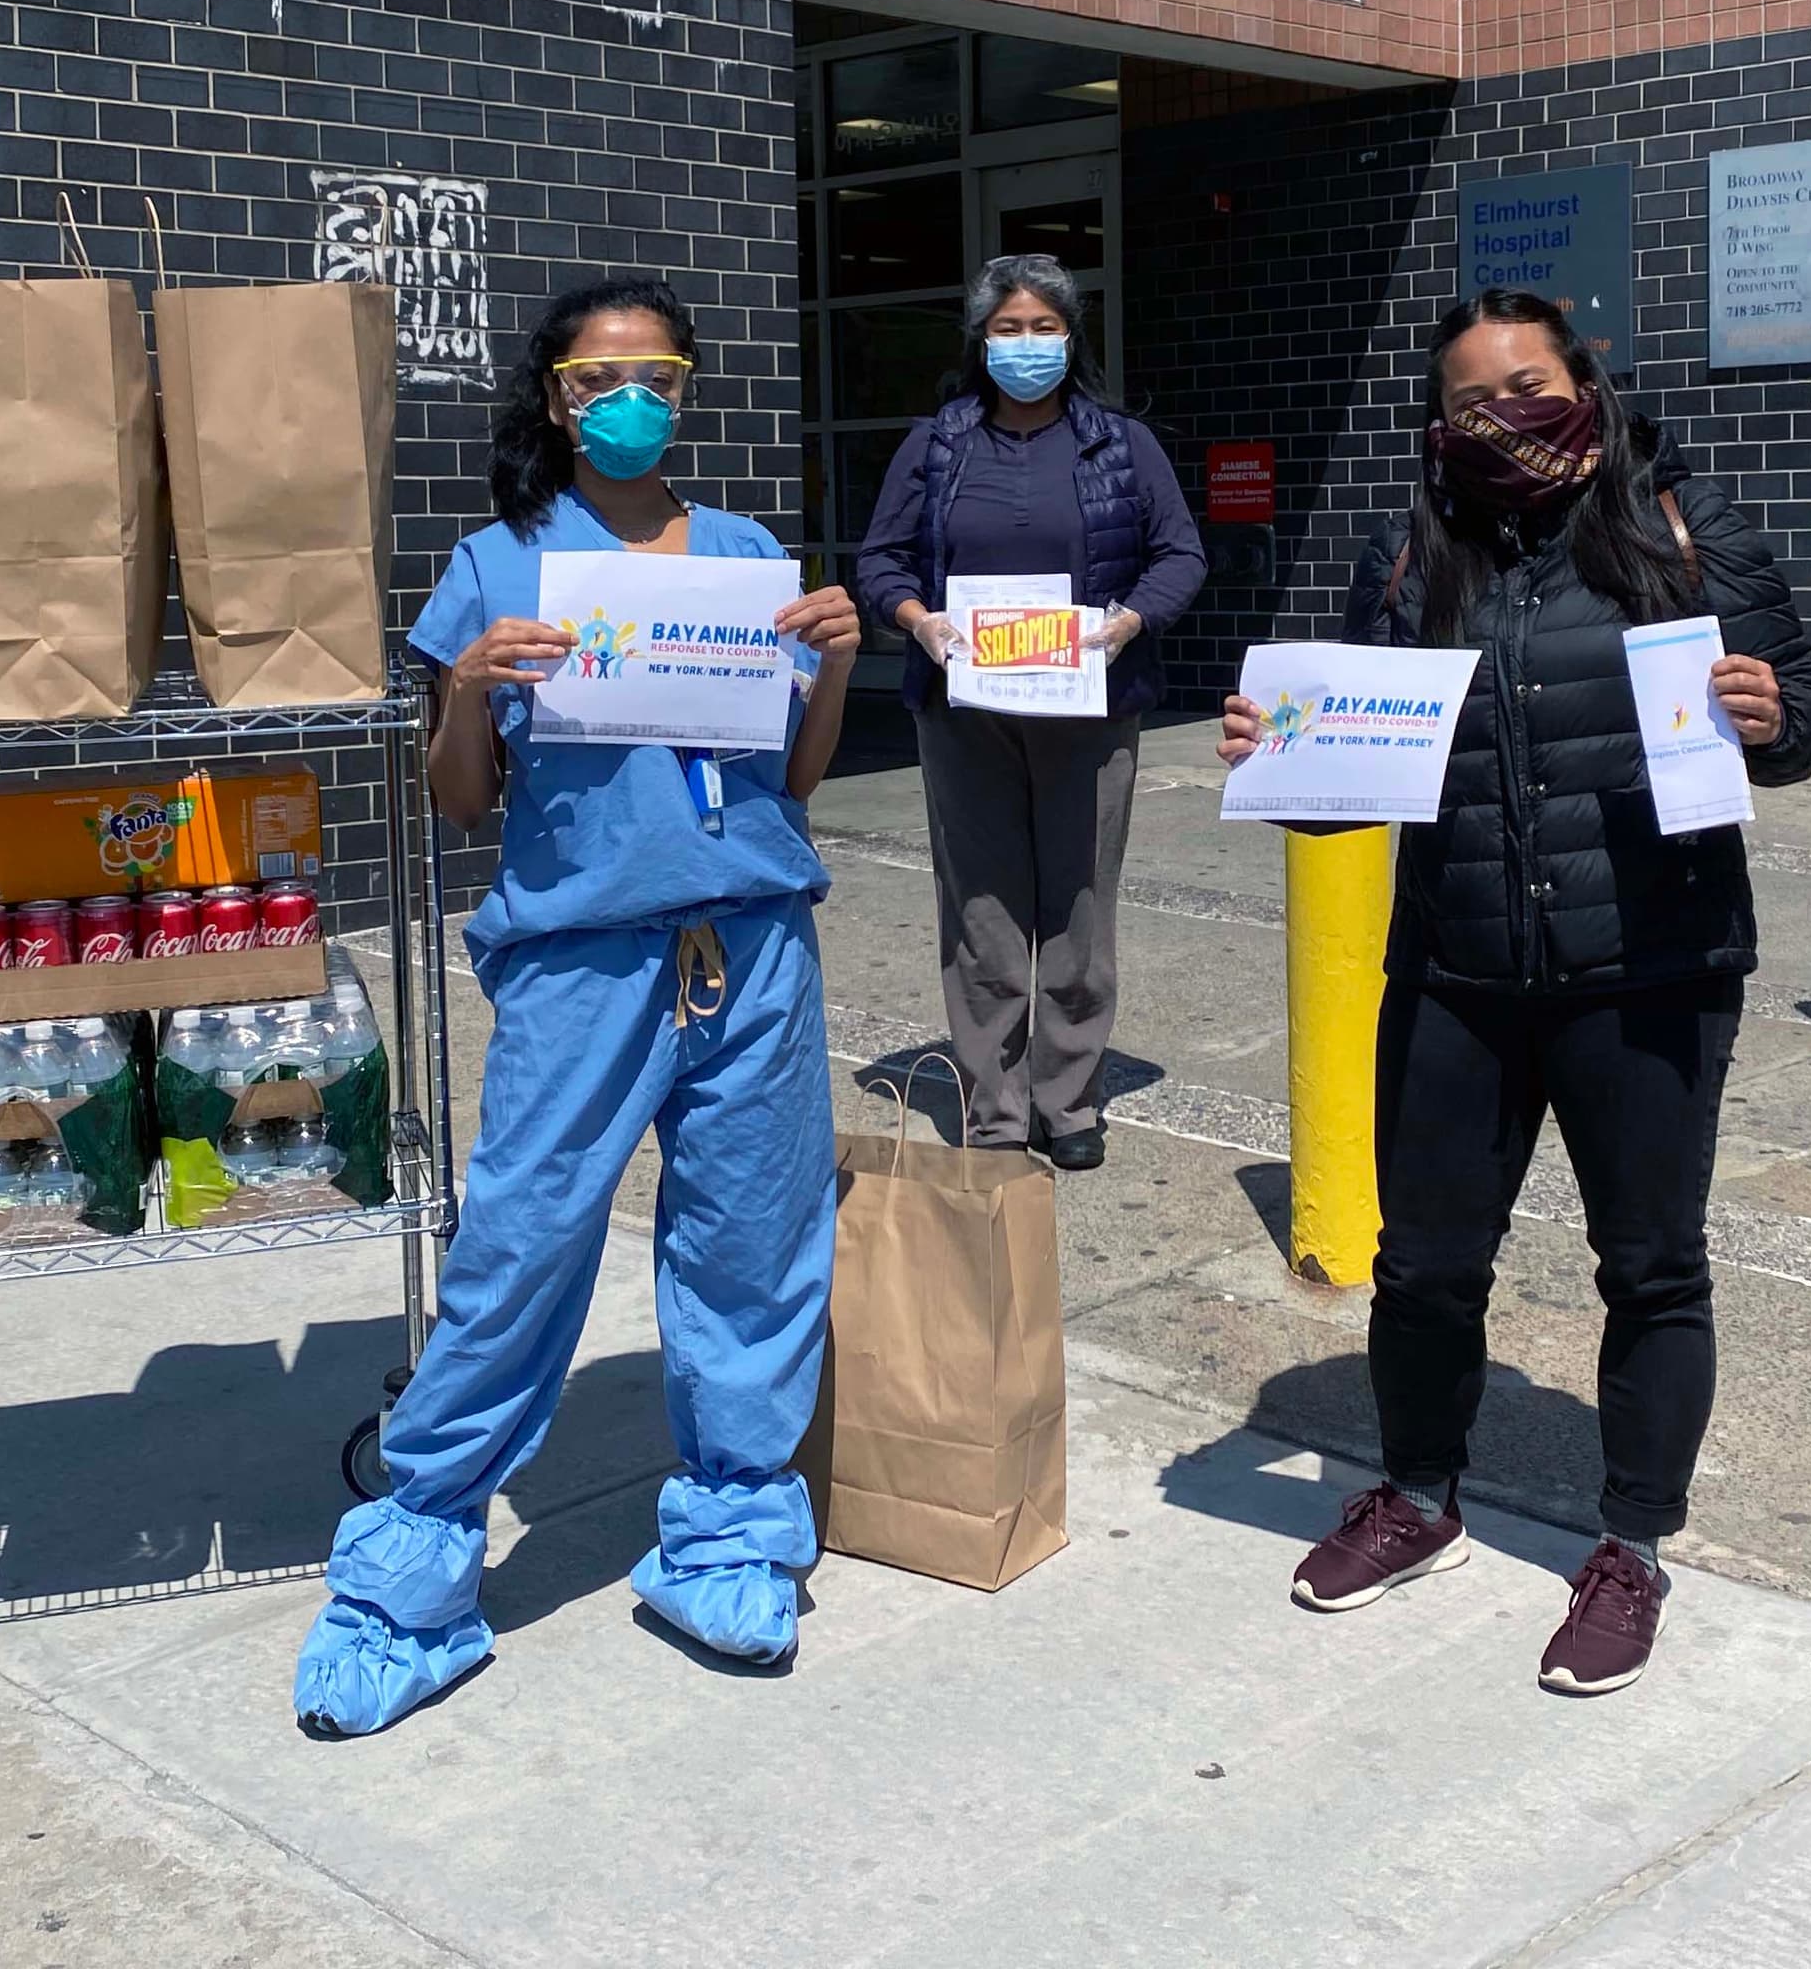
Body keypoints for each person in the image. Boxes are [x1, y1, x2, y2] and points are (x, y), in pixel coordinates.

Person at [1217, 289, 1811, 1696]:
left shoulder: (1686, 532)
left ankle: (1630, 1547)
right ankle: (1419, 1495)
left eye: (1531, 388)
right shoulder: (1407, 561)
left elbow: (1802, 716)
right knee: (1427, 1265)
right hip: (1456, 973)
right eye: (1475, 404)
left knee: (1652, 1267)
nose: (1509, 423)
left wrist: (1772, 716)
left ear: (1587, 385)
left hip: (1654, 971)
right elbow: (1350, 782)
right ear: (1440, 426)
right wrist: (1275, 753)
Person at [294, 277, 863, 1734]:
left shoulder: (742, 557)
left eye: (660, 374)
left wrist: (839, 664)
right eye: (603, 377)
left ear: (687, 389)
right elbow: (458, 795)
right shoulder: (496, 566)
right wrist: (474, 690)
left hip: (750, 944)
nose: (632, 400)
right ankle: (413, 1568)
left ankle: (733, 1530)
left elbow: (792, 780)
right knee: (526, 1241)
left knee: (754, 1238)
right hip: (579, 957)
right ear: (553, 394)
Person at [854, 255, 1205, 1169]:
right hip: (965, 711)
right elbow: (881, 560)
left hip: (1090, 709)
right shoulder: (938, 444)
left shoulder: (1121, 444)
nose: (1025, 345)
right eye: (1007, 329)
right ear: (980, 341)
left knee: (1082, 910)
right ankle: (997, 1108)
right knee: (982, 909)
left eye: (1043, 327)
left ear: (1072, 335)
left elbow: (1180, 556)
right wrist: (918, 622)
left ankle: (1070, 1100)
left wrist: (1130, 621)